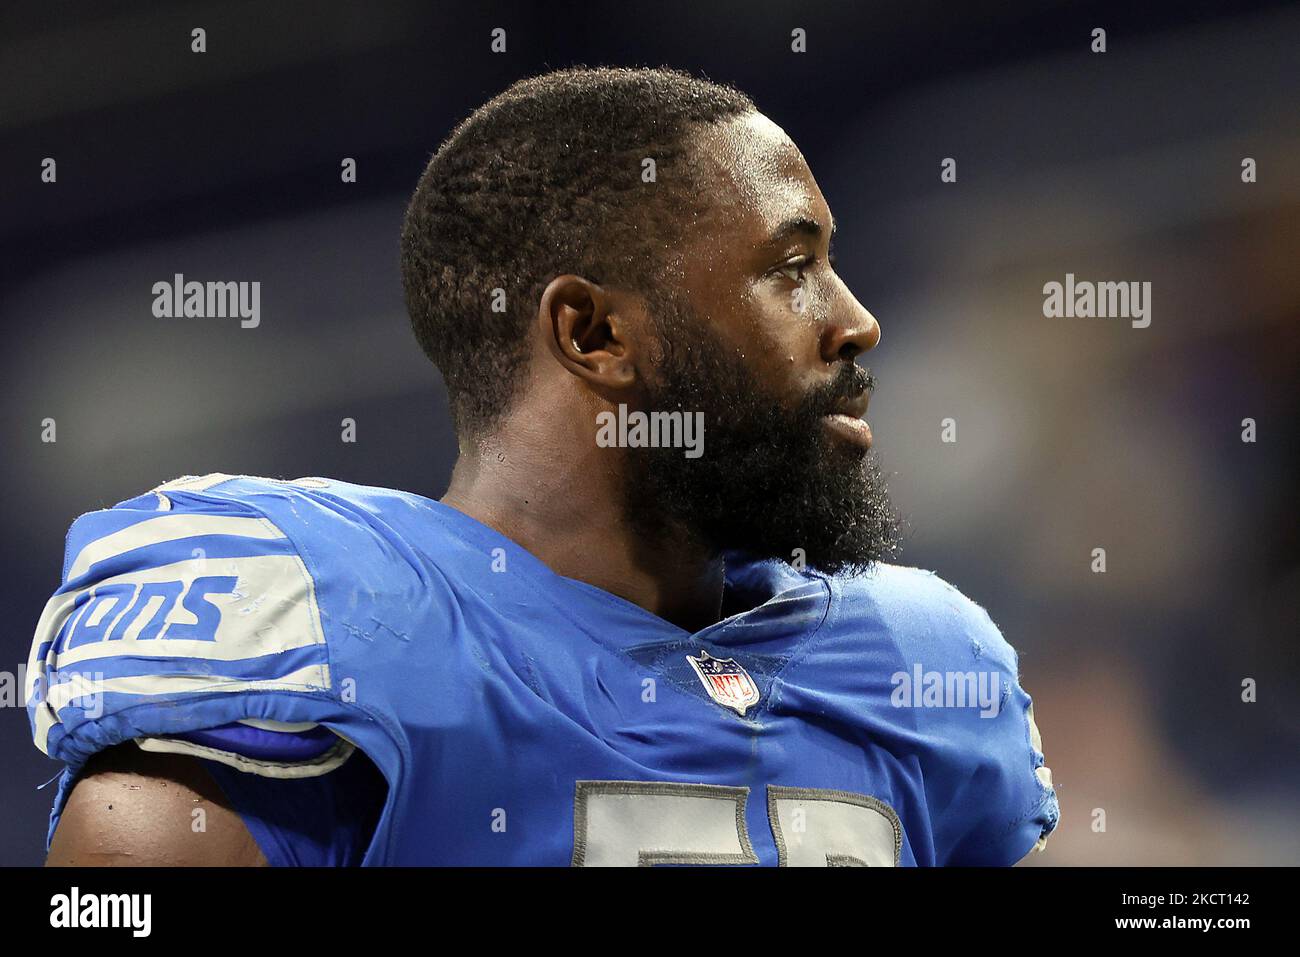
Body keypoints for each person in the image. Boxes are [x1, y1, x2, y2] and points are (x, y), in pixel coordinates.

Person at [29, 66, 1056, 866]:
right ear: (592, 331)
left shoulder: (910, 662)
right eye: (790, 271)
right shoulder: (320, 634)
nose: (855, 322)